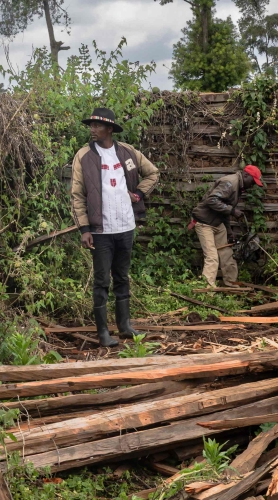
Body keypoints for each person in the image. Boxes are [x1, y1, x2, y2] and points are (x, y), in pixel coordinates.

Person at [71, 107, 159, 347]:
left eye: (97, 126)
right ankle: (102, 332)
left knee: (122, 276)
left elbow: (153, 173)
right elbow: (77, 195)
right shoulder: (83, 156)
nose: (92, 129)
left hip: (125, 227)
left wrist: (139, 193)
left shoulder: (128, 152)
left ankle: (125, 326)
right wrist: (84, 228)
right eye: (91, 125)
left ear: (109, 129)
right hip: (100, 231)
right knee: (101, 281)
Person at [190, 165, 264, 288]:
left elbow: (223, 210)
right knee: (212, 257)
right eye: (253, 181)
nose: (253, 185)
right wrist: (232, 210)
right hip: (204, 223)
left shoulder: (238, 186)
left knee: (227, 254)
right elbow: (212, 200)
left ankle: (231, 284)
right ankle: (206, 290)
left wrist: (229, 231)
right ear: (246, 175)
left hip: (217, 223)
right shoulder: (230, 183)